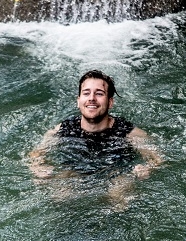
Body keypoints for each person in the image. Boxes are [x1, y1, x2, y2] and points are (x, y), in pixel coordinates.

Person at [27, 70, 162, 205]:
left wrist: (147, 168)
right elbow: (36, 154)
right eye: (86, 93)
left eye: (99, 93)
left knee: (119, 196)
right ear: (79, 101)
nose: (92, 98)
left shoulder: (128, 132)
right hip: (76, 170)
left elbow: (157, 158)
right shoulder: (63, 129)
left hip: (116, 171)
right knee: (61, 194)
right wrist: (38, 166)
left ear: (110, 102)